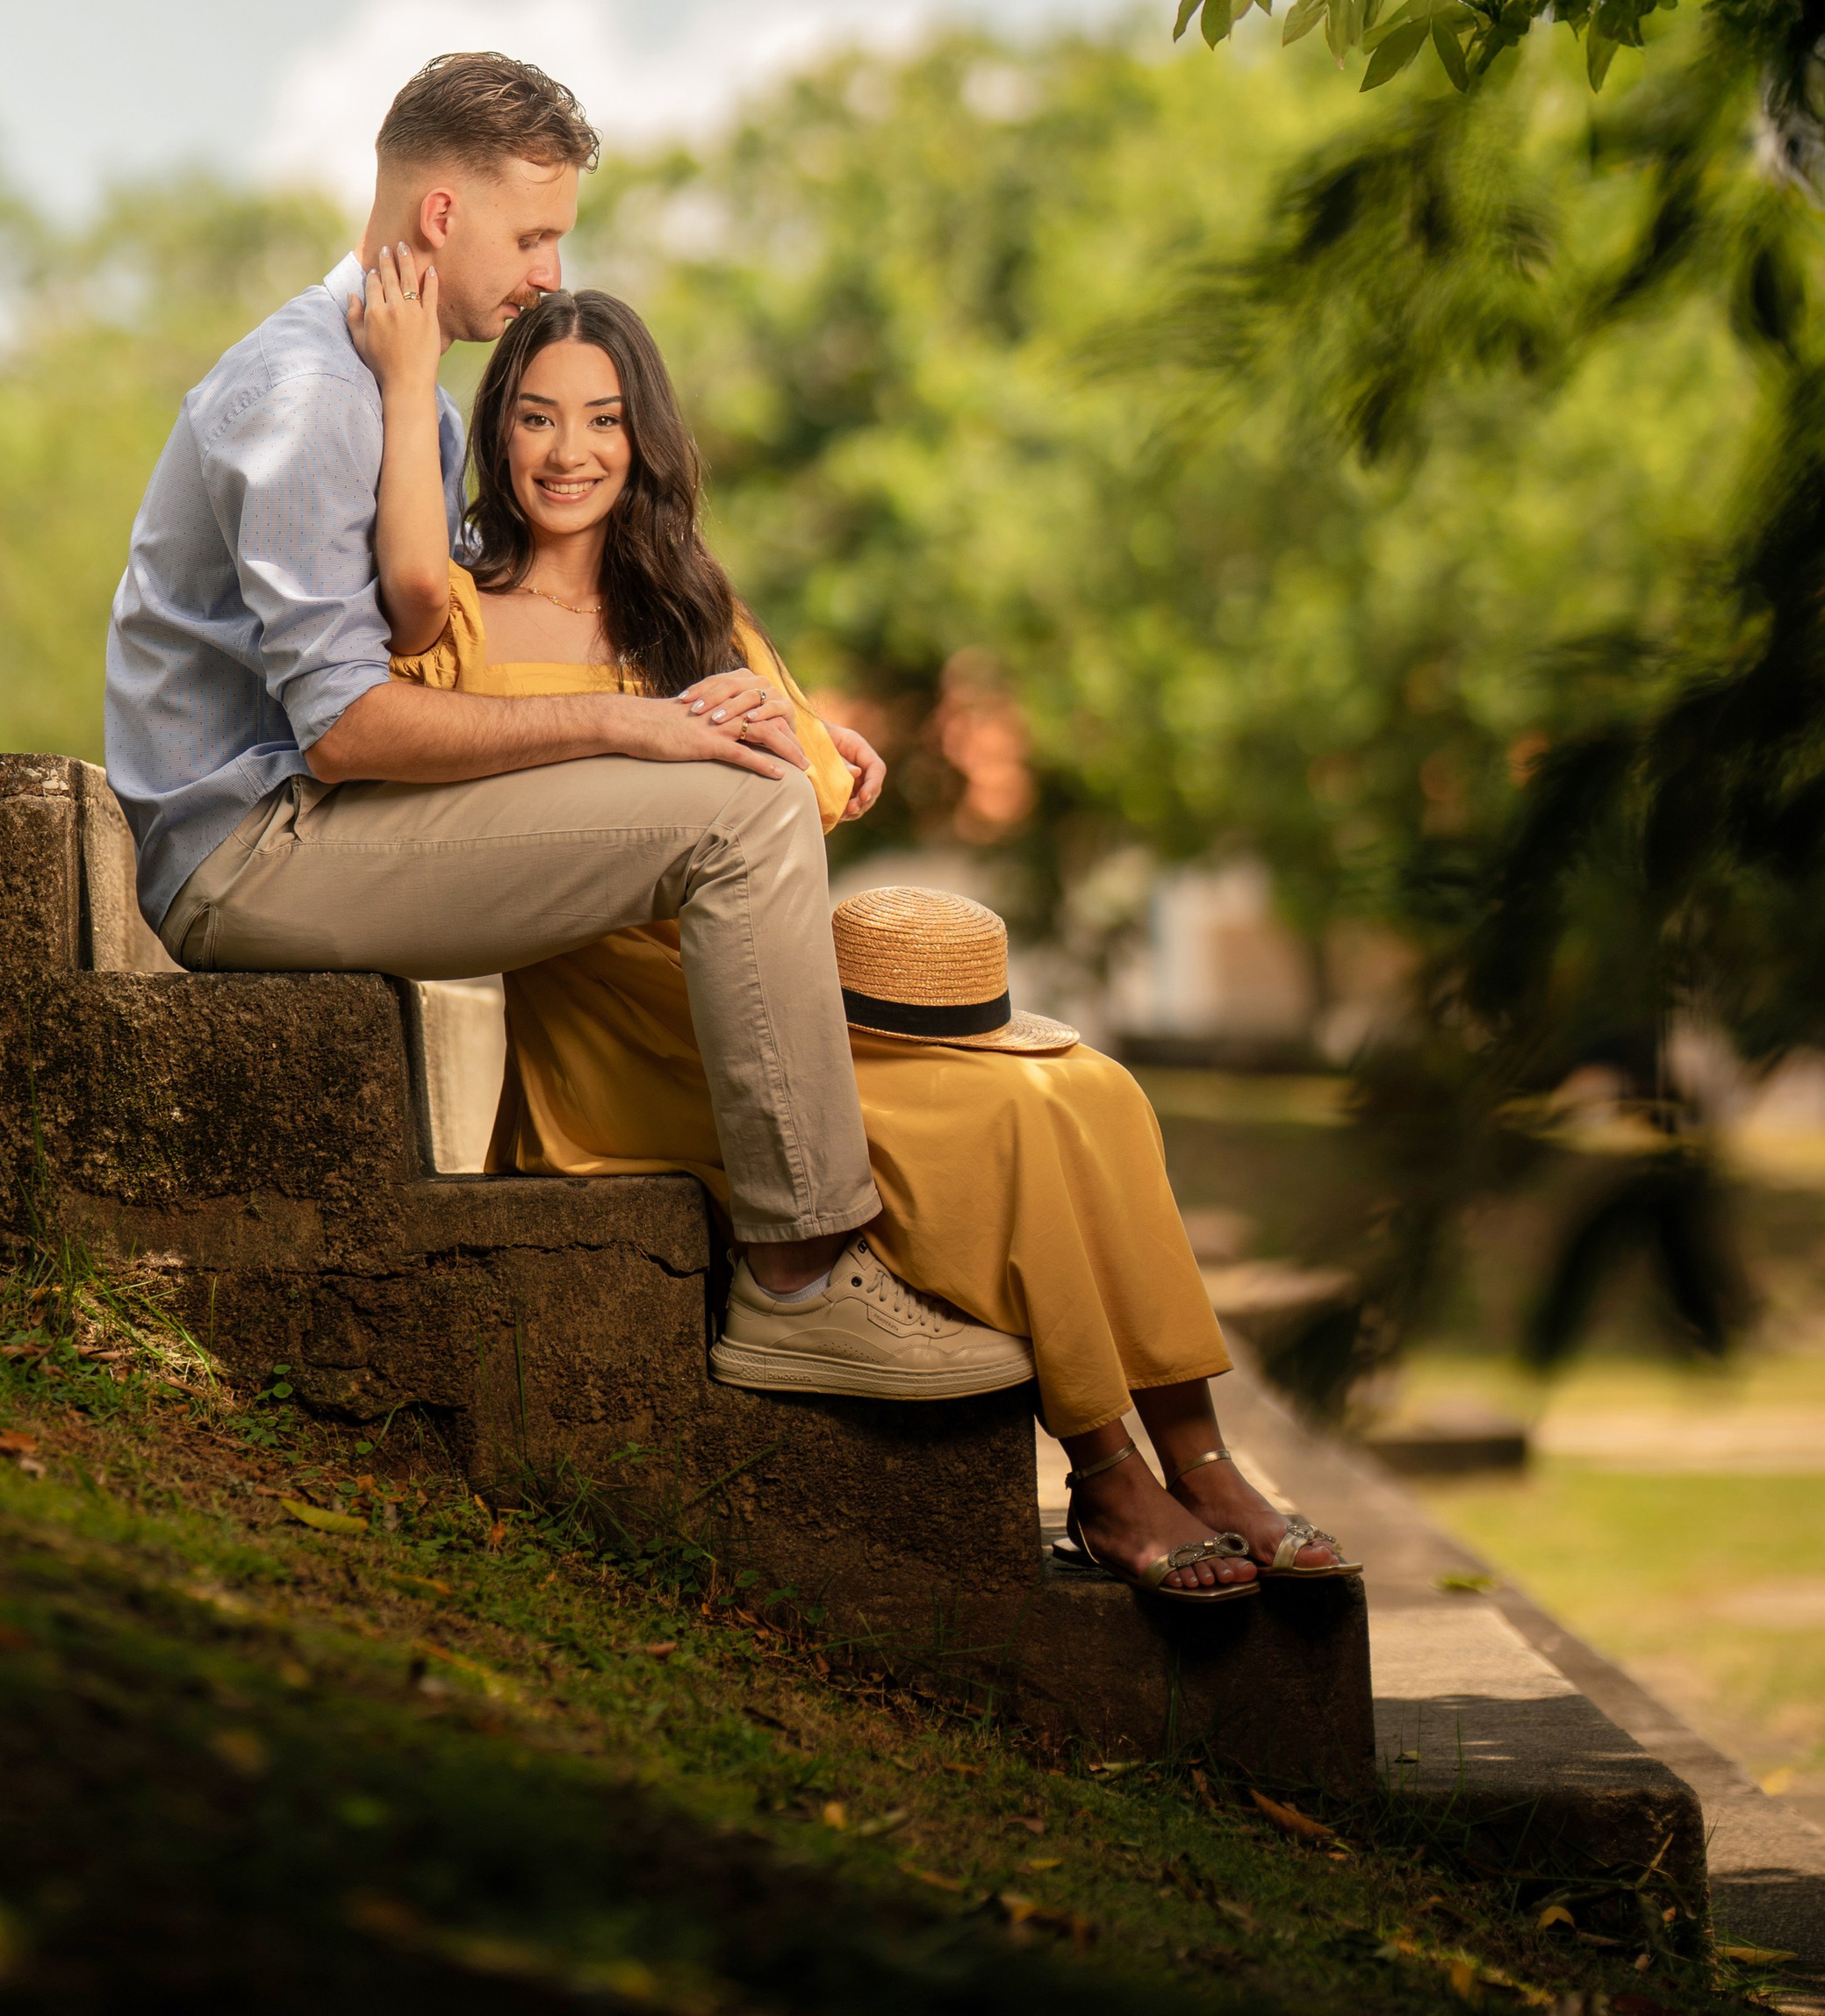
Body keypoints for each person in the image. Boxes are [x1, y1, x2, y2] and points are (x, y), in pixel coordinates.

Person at [357, 257, 1361, 1602]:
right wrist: (404, 377)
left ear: (643, 440)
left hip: (755, 996)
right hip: (615, 1039)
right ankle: (1110, 1480)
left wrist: (790, 730)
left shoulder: (688, 617)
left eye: (602, 419)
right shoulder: (462, 619)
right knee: (994, 1125)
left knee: (1093, 1093)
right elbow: (409, 636)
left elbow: (826, 794)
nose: (569, 451)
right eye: (536, 416)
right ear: (497, 433)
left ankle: (1203, 1455)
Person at [103, 50, 1017, 1393]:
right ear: (439, 218)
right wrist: (635, 731)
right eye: (533, 234)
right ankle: (805, 1277)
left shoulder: (394, 384)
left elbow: (495, 614)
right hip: (257, 855)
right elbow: (350, 729)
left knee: (753, 779)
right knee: (738, 816)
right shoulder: (304, 398)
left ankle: (810, 1260)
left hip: (332, 819)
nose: (545, 271)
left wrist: (785, 711)